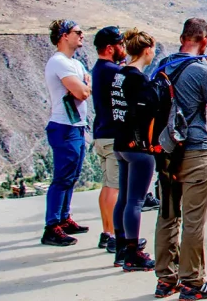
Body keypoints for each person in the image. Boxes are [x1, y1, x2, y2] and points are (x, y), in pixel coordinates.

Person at [153, 18, 207, 300]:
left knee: (167, 216)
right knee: (193, 221)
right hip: (195, 152)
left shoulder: (161, 66)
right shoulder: (201, 70)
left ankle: (165, 279)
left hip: (166, 154)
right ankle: (192, 283)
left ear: (181, 37)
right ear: (205, 40)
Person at [111, 28, 159, 272]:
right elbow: (147, 110)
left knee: (123, 199)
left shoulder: (119, 75)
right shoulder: (138, 80)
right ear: (147, 50)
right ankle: (133, 252)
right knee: (136, 201)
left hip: (120, 144)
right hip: (138, 147)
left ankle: (121, 246)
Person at [41, 19, 91, 246]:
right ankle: (51, 226)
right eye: (77, 32)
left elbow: (85, 86)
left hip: (76, 126)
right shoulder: (59, 63)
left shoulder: (75, 64)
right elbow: (81, 92)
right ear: (64, 36)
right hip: (64, 127)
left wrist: (83, 86)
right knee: (62, 178)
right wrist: (83, 86)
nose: (82, 35)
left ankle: (63, 217)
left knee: (71, 175)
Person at [90, 26, 125, 251]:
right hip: (113, 137)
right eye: (121, 45)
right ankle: (113, 236)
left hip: (100, 134)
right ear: (111, 48)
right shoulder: (113, 71)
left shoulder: (98, 69)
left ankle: (106, 231)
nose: (124, 49)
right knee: (115, 187)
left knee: (106, 186)